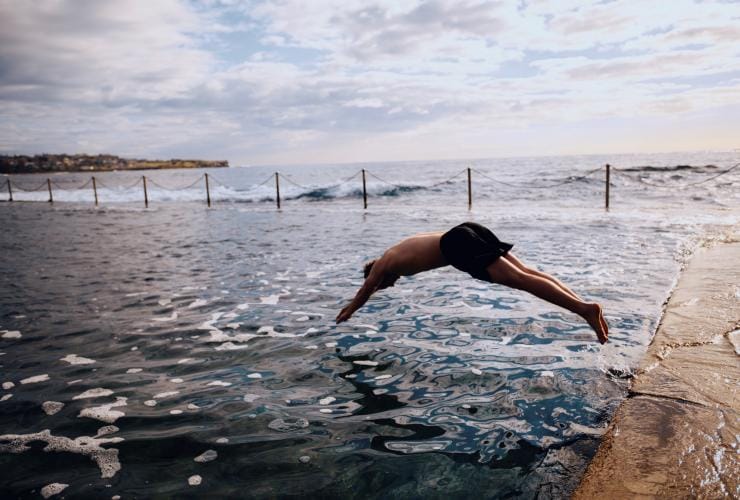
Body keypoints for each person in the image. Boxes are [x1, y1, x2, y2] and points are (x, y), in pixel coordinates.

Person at [336, 222, 608, 344]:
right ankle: (584, 306)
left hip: (457, 244)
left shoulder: (384, 263)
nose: (389, 286)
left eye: (385, 285)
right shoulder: (397, 249)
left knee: (520, 280)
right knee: (526, 272)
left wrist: (349, 310)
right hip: (467, 230)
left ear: (378, 275)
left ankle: (584, 309)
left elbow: (365, 288)